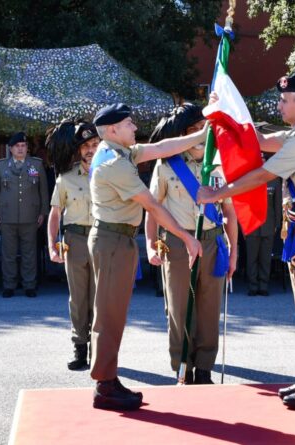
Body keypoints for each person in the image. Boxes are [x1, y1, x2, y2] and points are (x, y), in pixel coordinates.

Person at [198, 73, 295, 410]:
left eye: (285, 100)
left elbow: (262, 174)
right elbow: (258, 141)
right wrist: (224, 114)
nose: (280, 104)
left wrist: (218, 192)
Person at [88, 103, 203, 411]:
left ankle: (108, 379)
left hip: (117, 239)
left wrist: (202, 133)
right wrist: (186, 237)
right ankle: (105, 385)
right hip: (113, 240)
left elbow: (163, 146)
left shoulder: (118, 151)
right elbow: (152, 205)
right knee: (109, 313)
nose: (135, 128)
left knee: (113, 312)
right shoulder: (115, 163)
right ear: (113, 130)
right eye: (129, 124)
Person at [144, 103, 238, 385]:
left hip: (212, 240)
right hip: (177, 242)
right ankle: (183, 367)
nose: (201, 136)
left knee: (209, 308)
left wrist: (233, 252)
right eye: (194, 131)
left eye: (204, 130)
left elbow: (230, 213)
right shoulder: (166, 165)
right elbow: (152, 208)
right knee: (179, 307)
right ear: (183, 135)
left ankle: (206, 369)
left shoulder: (220, 165)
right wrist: (150, 244)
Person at [46, 120, 99, 371]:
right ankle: (80, 348)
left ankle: (100, 350)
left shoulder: (110, 175)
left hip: (103, 239)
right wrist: (52, 243)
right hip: (75, 239)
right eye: (86, 145)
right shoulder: (65, 179)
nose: (90, 149)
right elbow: (55, 214)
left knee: (100, 297)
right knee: (78, 297)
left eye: (95, 144)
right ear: (79, 150)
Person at [0, 132, 49, 298]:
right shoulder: (1, 166)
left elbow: (43, 191)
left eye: (23, 146)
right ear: (10, 149)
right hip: (7, 216)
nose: (21, 149)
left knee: (29, 252)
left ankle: (29, 284)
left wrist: (43, 212)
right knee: (8, 253)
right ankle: (9, 285)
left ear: (27, 148)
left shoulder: (36, 165)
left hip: (30, 215)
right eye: (17, 146)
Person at [245, 176, 282, 296]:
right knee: (252, 258)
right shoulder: (248, 178)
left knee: (265, 258)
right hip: (251, 224)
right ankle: (252, 286)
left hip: (268, 224)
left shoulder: (274, 180)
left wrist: (277, 224)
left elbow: (277, 203)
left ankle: (264, 286)